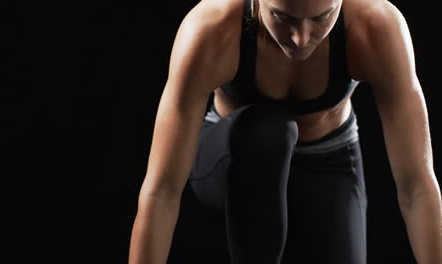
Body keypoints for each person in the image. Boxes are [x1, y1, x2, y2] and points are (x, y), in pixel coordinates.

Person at [129, 0, 441, 263]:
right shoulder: (212, 29)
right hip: (233, 159)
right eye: (283, 17)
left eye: (321, 18)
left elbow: (417, 186)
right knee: (270, 130)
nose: (301, 38)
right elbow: (162, 190)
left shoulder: (376, 27)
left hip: (329, 161)